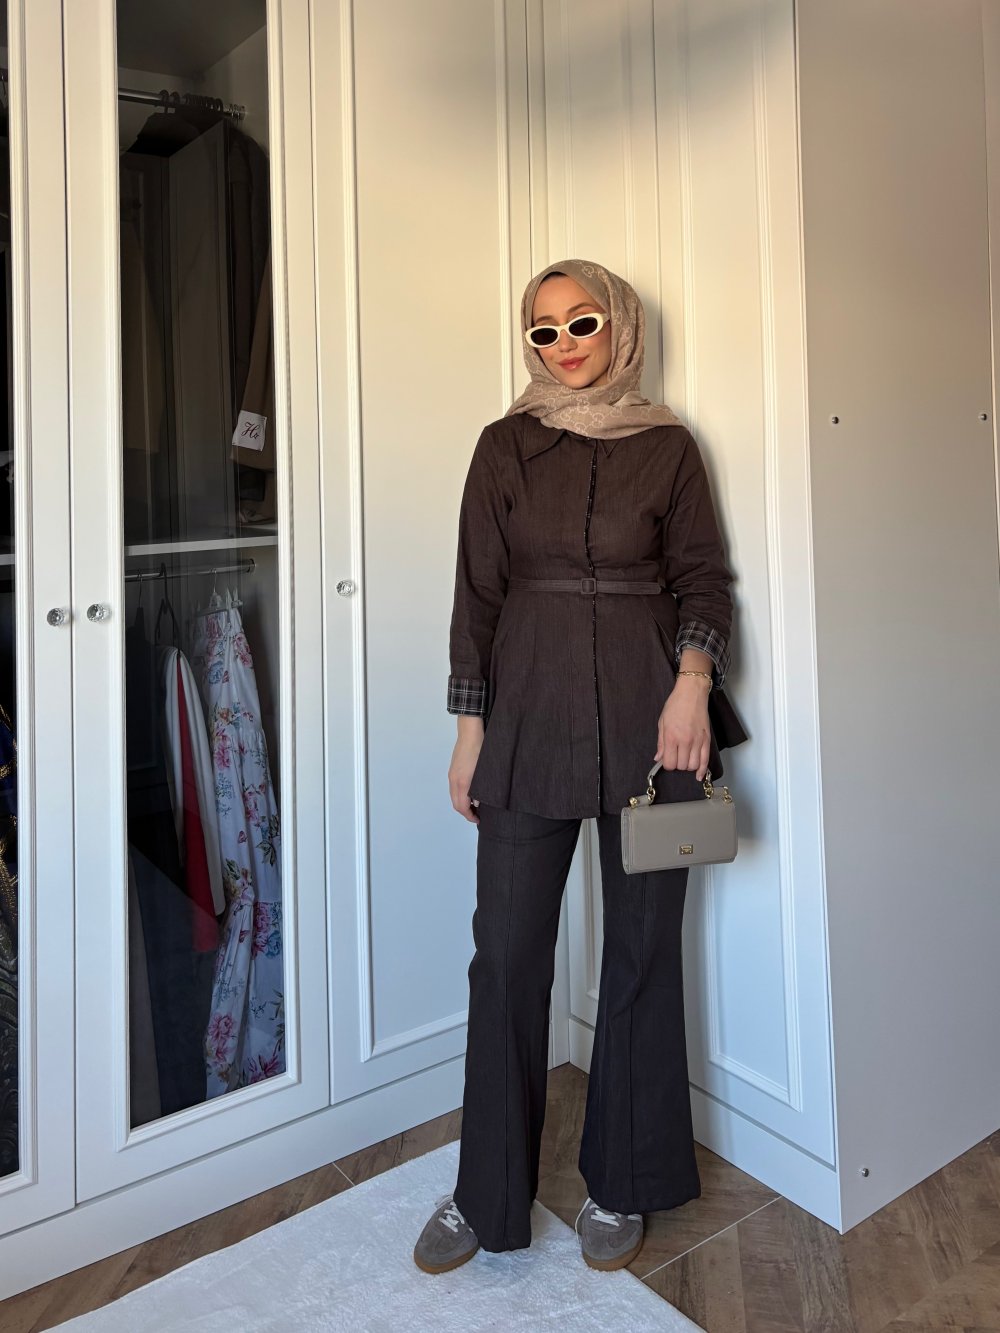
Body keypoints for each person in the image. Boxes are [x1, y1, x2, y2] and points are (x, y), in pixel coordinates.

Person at [413, 258, 748, 1276]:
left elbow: (704, 578)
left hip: (656, 719)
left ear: (621, 327)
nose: (564, 345)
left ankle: (624, 1179)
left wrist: (691, 687)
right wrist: (469, 732)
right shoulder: (503, 445)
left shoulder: (668, 445)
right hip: (527, 714)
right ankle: (486, 1190)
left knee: (642, 954)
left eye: (583, 322)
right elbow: (476, 595)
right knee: (507, 956)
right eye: (543, 330)